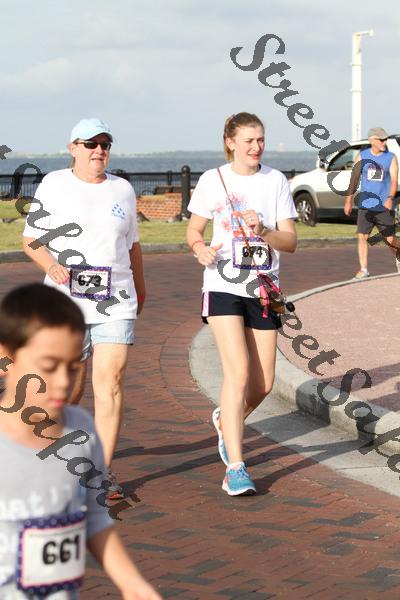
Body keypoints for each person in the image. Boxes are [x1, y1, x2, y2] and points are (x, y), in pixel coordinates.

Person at [0, 283, 161, 599]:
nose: (63, 382)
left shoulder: (81, 430)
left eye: (73, 367)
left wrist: (132, 584)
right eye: (48, 367)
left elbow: (95, 517)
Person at [22, 118, 145, 500]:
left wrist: (140, 289)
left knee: (111, 382)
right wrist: (51, 265)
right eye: (90, 144)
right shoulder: (54, 185)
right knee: (68, 389)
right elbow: (31, 239)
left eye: (105, 144)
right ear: (73, 148)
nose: (99, 150)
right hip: (66, 303)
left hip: (115, 300)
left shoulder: (122, 189)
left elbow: (132, 246)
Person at [186, 112, 297, 496]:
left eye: (261, 139)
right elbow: (194, 229)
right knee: (237, 372)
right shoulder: (212, 180)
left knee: (263, 383)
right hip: (222, 284)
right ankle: (236, 467)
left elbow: (290, 242)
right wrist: (199, 248)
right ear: (230, 142)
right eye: (249, 140)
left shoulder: (276, 181)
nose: (256, 147)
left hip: (264, 288)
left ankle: (226, 420)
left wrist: (263, 230)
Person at [344, 127, 400, 278]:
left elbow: (394, 181)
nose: (384, 142)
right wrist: (348, 201)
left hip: (383, 206)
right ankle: (364, 269)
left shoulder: (391, 157)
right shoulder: (362, 156)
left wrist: (390, 198)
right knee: (362, 236)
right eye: (381, 139)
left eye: (385, 139)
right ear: (371, 140)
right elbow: (354, 180)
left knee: (389, 239)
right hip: (366, 205)